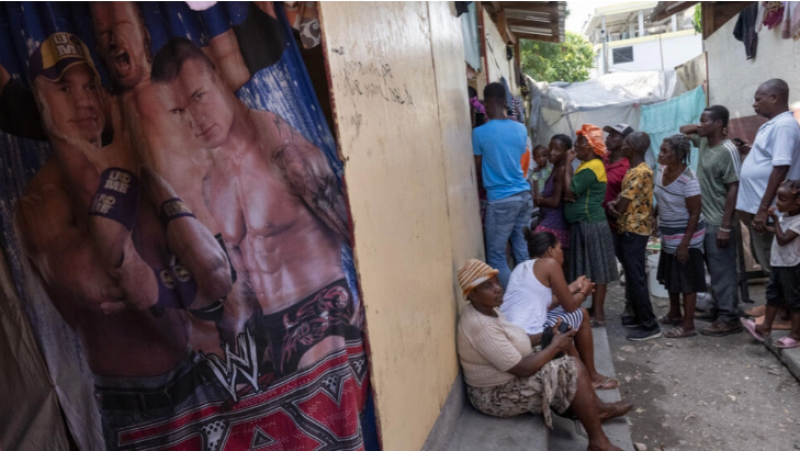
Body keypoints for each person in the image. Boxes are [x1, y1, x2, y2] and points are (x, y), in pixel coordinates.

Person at [150, 38, 360, 378]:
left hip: (323, 313)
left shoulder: (281, 147)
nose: (194, 120)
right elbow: (244, 281)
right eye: (178, 111)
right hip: (272, 334)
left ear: (219, 79)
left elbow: (353, 233)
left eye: (198, 97)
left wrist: (365, 313)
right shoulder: (212, 183)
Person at [456, 259, 630, 451]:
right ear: (472, 295)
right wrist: (554, 346)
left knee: (565, 350)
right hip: (496, 395)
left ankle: (597, 410)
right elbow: (522, 369)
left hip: (509, 375)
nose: (498, 288)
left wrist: (549, 335)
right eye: (488, 286)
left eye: (497, 281)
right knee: (571, 367)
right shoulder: (481, 325)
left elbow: (517, 342)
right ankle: (598, 440)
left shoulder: (490, 309)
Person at [502, 231, 620, 390]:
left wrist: (574, 287)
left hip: (510, 332)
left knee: (571, 315)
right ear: (550, 251)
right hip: (528, 335)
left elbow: (545, 303)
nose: (562, 252)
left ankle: (586, 375)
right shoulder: (550, 264)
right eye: (560, 248)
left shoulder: (521, 267)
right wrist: (584, 292)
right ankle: (591, 377)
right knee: (580, 314)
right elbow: (570, 306)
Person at [737, 79, 800, 330]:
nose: (754, 104)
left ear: (775, 97)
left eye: (758, 98)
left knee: (778, 264)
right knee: (768, 260)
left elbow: (781, 167)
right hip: (758, 206)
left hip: (770, 208)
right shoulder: (772, 125)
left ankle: (784, 315)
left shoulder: (783, 125)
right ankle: (775, 306)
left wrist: (764, 209)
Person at [680, 106, 744, 336]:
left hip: (719, 221)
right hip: (704, 219)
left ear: (718, 124)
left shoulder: (728, 150)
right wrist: (702, 126)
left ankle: (730, 318)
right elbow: (683, 130)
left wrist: (725, 226)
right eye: (700, 120)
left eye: (705, 120)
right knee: (713, 269)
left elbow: (734, 188)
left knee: (723, 271)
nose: (700, 124)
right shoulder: (705, 141)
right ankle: (718, 309)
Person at [472, 82, 533, 288]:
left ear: (487, 103)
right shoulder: (521, 129)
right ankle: (531, 293)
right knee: (521, 249)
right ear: (506, 102)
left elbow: (477, 167)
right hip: (524, 195)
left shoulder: (479, 133)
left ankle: (513, 297)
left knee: (496, 257)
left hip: (501, 200)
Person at [564, 124, 619, 327]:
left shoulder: (592, 166)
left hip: (590, 223)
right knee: (593, 268)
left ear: (591, 146)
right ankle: (595, 310)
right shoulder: (588, 165)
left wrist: (567, 164)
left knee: (597, 269)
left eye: (580, 142)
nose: (575, 146)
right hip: (586, 223)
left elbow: (570, 191)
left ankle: (599, 315)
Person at [653, 135, 707, 339]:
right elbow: (662, 197)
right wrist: (654, 217)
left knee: (687, 281)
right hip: (669, 233)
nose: (660, 154)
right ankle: (675, 313)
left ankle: (688, 325)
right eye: (661, 149)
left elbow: (694, 214)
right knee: (671, 276)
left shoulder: (689, 181)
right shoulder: (661, 170)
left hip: (687, 236)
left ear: (679, 154)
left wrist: (685, 244)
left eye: (665, 151)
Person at [607, 132, 660, 340]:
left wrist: (614, 207)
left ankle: (649, 325)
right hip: (628, 229)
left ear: (634, 148)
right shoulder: (633, 170)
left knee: (636, 278)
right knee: (633, 276)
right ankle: (639, 317)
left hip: (634, 231)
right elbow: (621, 199)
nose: (623, 147)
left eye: (626, 144)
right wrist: (615, 205)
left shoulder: (641, 172)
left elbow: (620, 205)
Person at [742, 180, 800, 347]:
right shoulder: (786, 216)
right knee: (772, 295)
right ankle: (765, 327)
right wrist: (765, 228)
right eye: (778, 198)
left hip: (792, 266)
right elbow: (779, 231)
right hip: (779, 264)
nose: (778, 203)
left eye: (782, 199)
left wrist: (774, 219)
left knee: (794, 301)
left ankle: (795, 335)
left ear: (797, 201)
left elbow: (783, 239)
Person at [602, 124, 633, 322]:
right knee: (601, 265)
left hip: (620, 225)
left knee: (630, 266)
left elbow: (628, 195)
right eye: (609, 134)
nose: (608, 138)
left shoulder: (628, 166)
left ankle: (631, 305)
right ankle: (597, 308)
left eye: (614, 135)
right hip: (601, 222)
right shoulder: (603, 158)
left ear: (625, 142)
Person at [533, 135, 572, 260]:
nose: (551, 152)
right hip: (550, 218)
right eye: (550, 148)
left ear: (566, 152)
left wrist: (538, 200)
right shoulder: (555, 168)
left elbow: (555, 201)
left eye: (558, 150)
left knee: (540, 252)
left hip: (555, 222)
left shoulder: (562, 170)